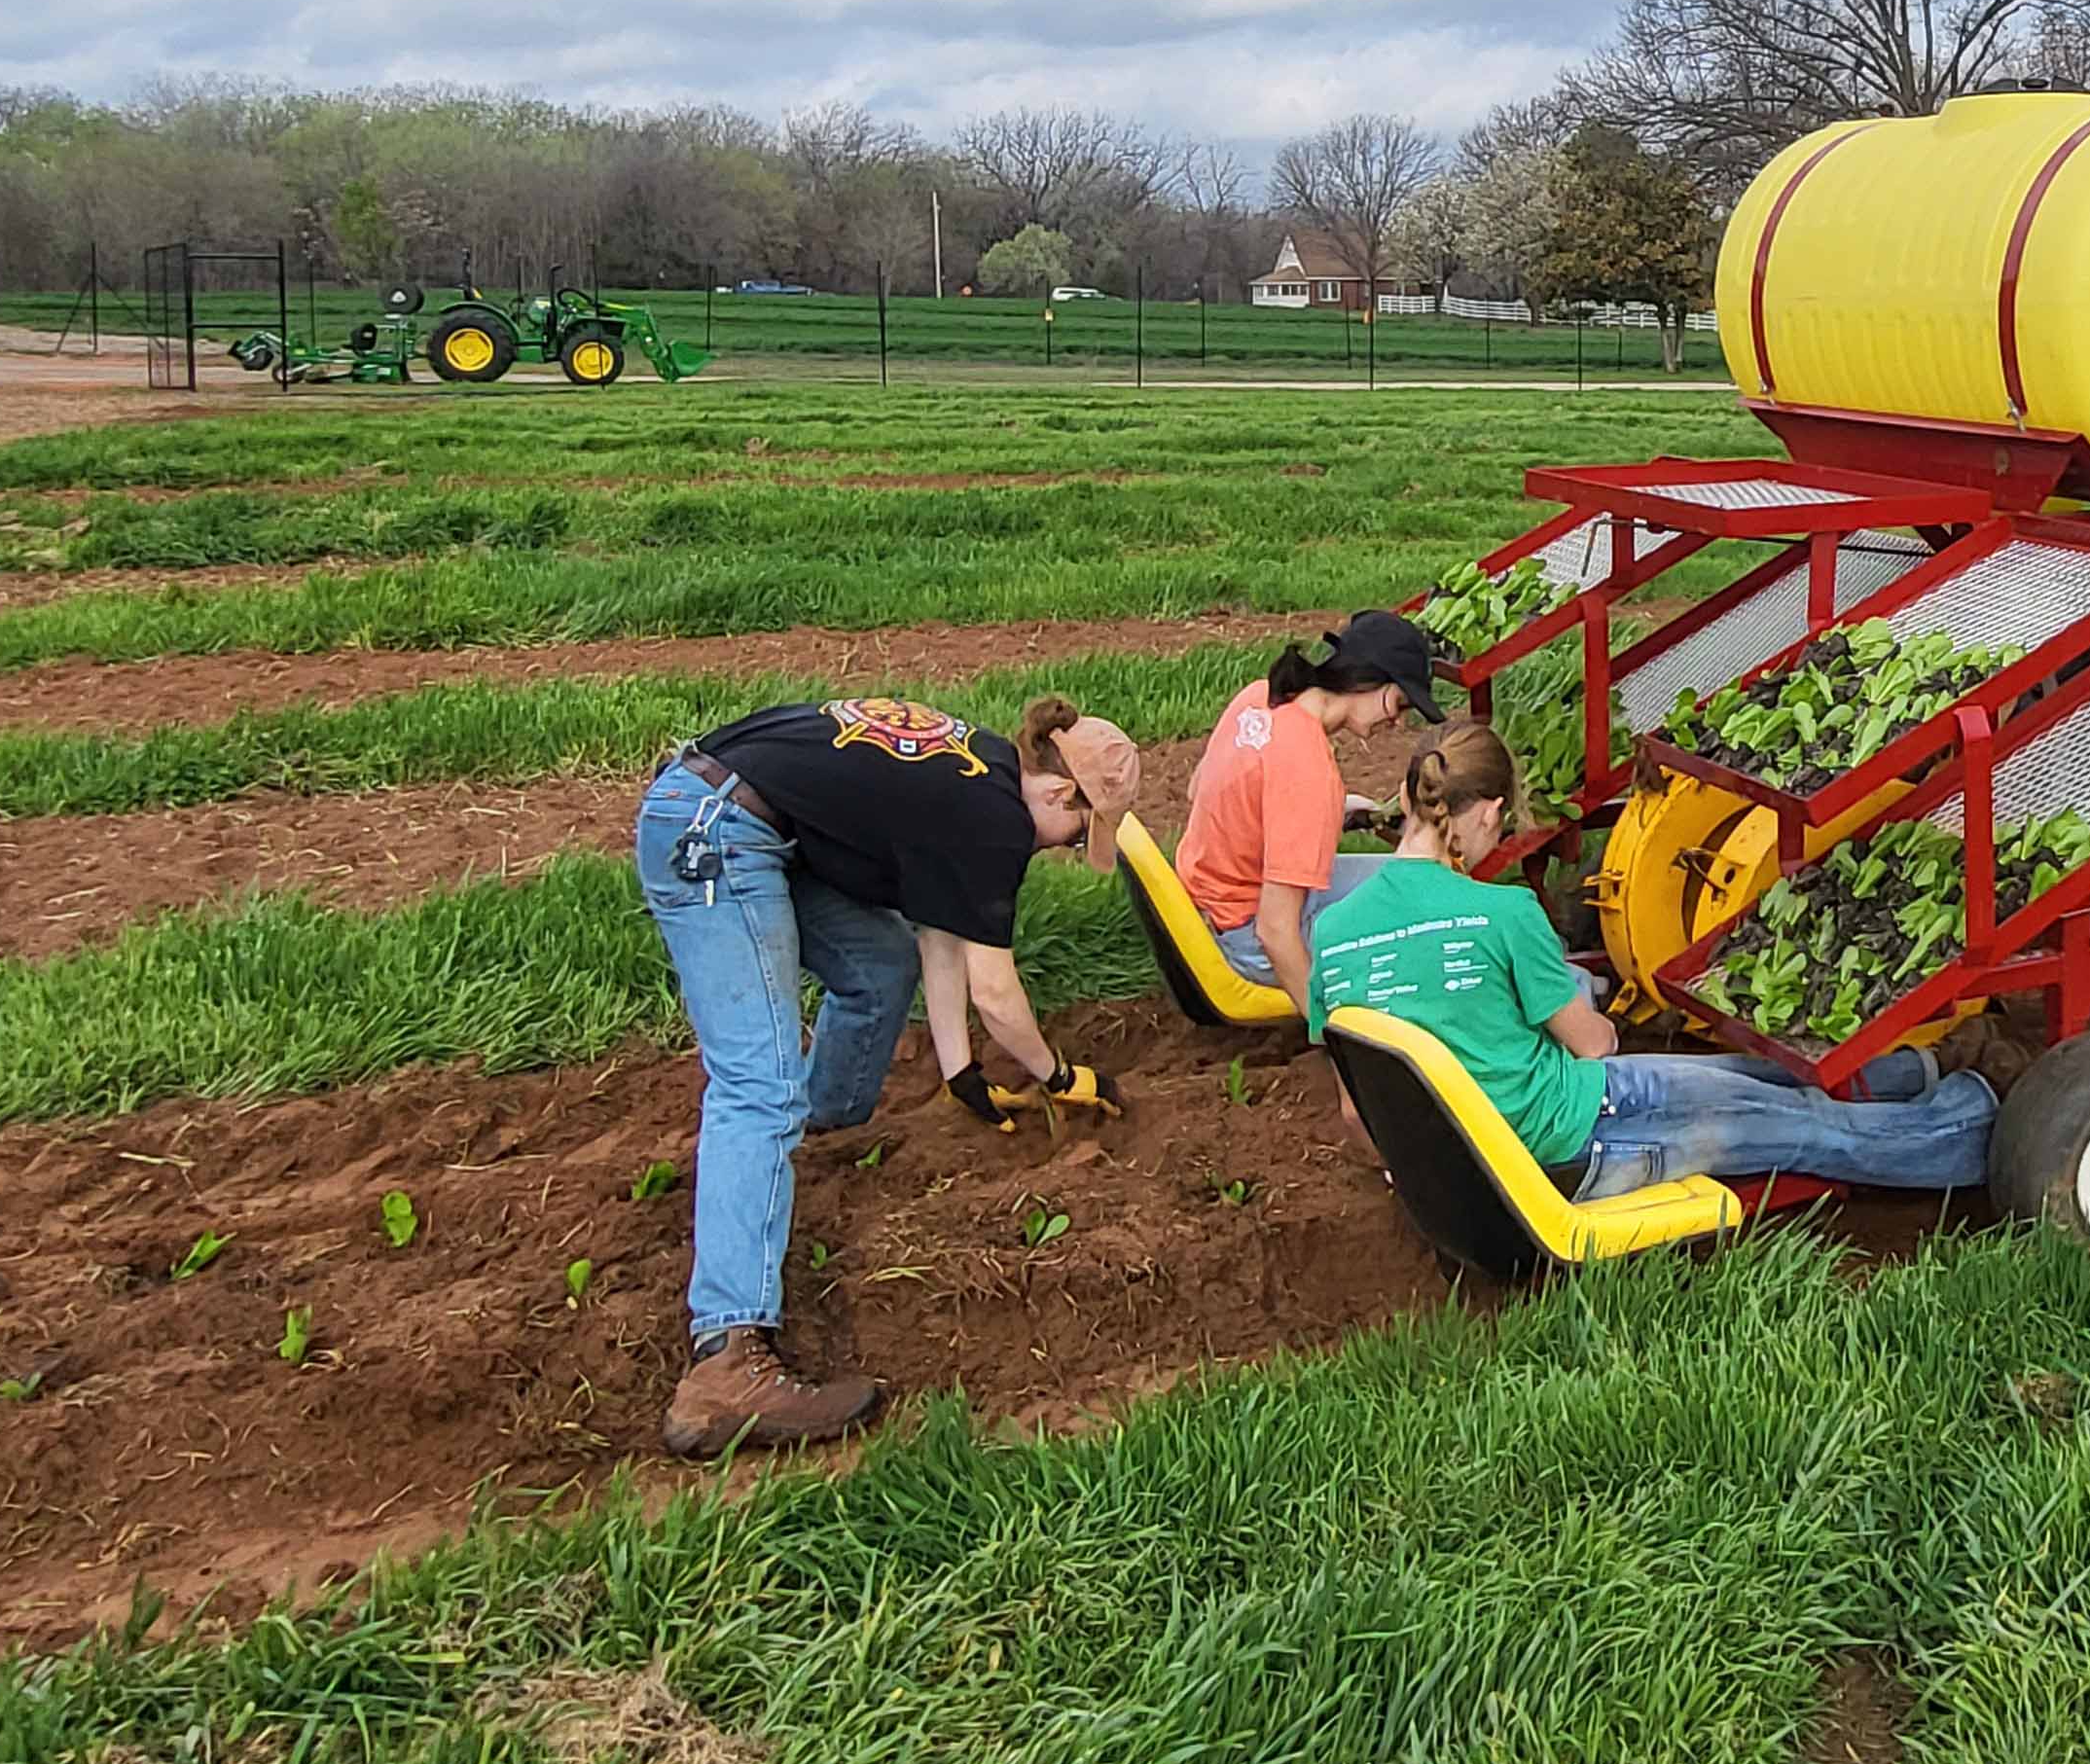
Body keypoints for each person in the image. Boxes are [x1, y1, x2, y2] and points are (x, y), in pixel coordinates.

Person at [634, 689, 1141, 1458]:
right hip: (716, 833)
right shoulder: (996, 819)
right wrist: (1059, 1073)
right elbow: (996, 992)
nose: (1068, 847)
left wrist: (960, 1070)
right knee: (756, 1086)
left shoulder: (979, 776)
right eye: (1078, 832)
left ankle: (824, 1132)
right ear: (1061, 791)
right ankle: (726, 1361)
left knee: (877, 964)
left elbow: (939, 932)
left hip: (745, 814)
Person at [1306, 725, 1999, 1203]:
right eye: (1503, 819)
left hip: (1520, 1138)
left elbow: (1353, 1112)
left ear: (1403, 802)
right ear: (1486, 811)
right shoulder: (1502, 913)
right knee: (1795, 1129)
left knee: (1735, 1076)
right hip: (1574, 1144)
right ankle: (1977, 1124)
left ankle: (1906, 1072)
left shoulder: (1332, 932)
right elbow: (1594, 1044)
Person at [1174, 609, 1442, 1000]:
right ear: (1368, 681)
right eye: (1400, 704)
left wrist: (1332, 809)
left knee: (1422, 881)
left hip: (1209, 905)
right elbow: (1275, 932)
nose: (1398, 722)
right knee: (1422, 936)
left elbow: (1201, 790)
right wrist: (1324, 1028)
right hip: (1248, 939)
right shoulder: (1311, 772)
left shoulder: (1259, 697)